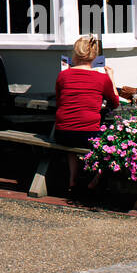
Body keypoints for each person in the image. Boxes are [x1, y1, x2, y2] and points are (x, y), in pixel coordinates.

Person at [54, 34, 119, 187]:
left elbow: (59, 101)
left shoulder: (63, 75)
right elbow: (115, 103)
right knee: (112, 143)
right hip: (88, 134)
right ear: (94, 57)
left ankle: (72, 179)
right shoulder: (101, 78)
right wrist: (111, 78)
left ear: (75, 54)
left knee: (71, 144)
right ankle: (95, 179)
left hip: (62, 133)